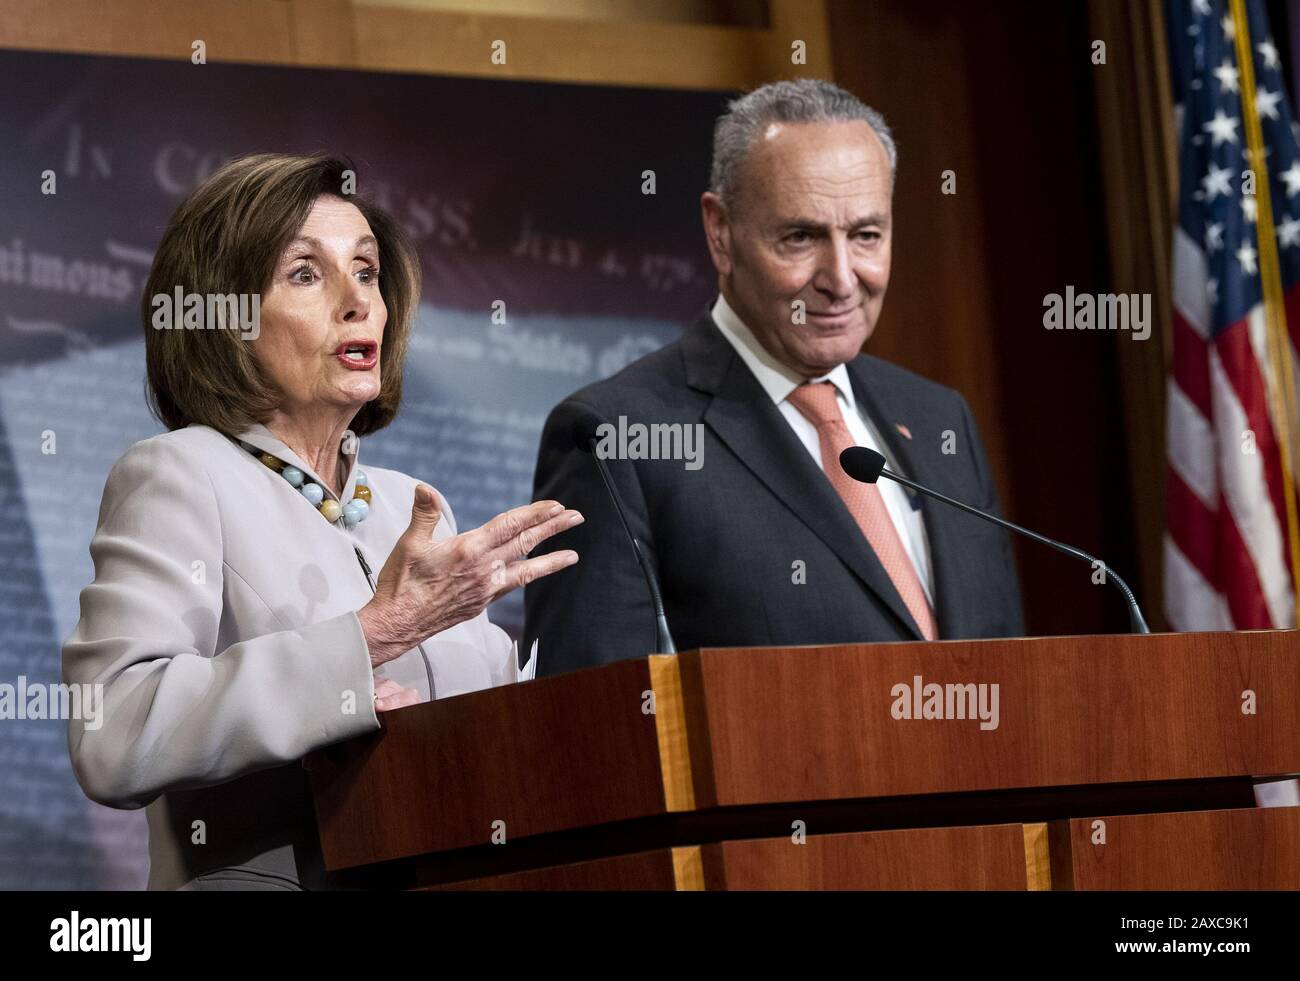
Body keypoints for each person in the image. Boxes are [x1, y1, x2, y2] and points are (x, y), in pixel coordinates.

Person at [62, 153, 582, 889]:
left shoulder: (409, 506)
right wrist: (369, 638)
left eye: (367, 272)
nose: (357, 301)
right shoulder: (182, 474)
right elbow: (113, 730)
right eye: (305, 273)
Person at [524, 79, 1022, 677]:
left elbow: (1005, 669)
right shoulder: (616, 437)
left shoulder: (942, 420)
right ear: (721, 232)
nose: (841, 278)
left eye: (866, 235)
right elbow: (596, 720)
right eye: (801, 237)